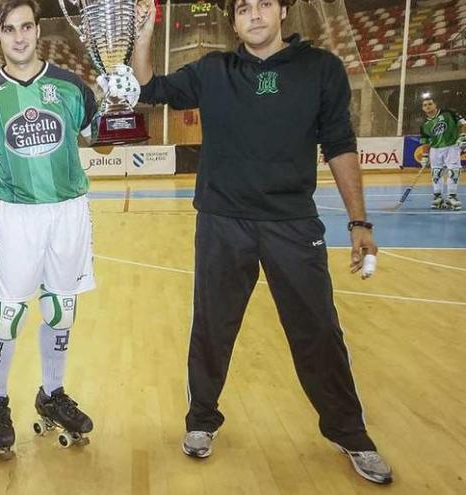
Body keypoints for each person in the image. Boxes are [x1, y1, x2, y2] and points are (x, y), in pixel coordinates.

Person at [132, 0, 393, 484]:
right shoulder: (213, 71)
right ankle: (201, 422)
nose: (254, 15)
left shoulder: (321, 69)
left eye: (264, 5)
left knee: (318, 331)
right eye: (244, 9)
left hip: (292, 223)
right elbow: (149, 87)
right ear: (233, 21)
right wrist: (145, 35)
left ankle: (349, 432)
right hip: (222, 220)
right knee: (213, 327)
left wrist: (360, 222)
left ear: (283, 13)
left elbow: (338, 143)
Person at [0, 0, 98, 458]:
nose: (19, 36)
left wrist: (120, 97)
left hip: (69, 211)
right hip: (19, 214)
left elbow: (98, 131)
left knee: (61, 311)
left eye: (27, 26)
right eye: (9, 29)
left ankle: (52, 393)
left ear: (38, 29)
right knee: (7, 315)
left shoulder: (71, 86)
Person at [418, 96, 466, 210]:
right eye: (425, 105)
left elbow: (463, 124)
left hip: (452, 146)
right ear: (423, 108)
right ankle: (437, 196)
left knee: (454, 171)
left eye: (430, 104)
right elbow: (425, 141)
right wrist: (425, 156)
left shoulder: (449, 113)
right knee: (436, 173)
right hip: (435, 149)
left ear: (435, 105)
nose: (428, 107)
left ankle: (452, 196)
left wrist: (463, 136)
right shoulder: (424, 125)